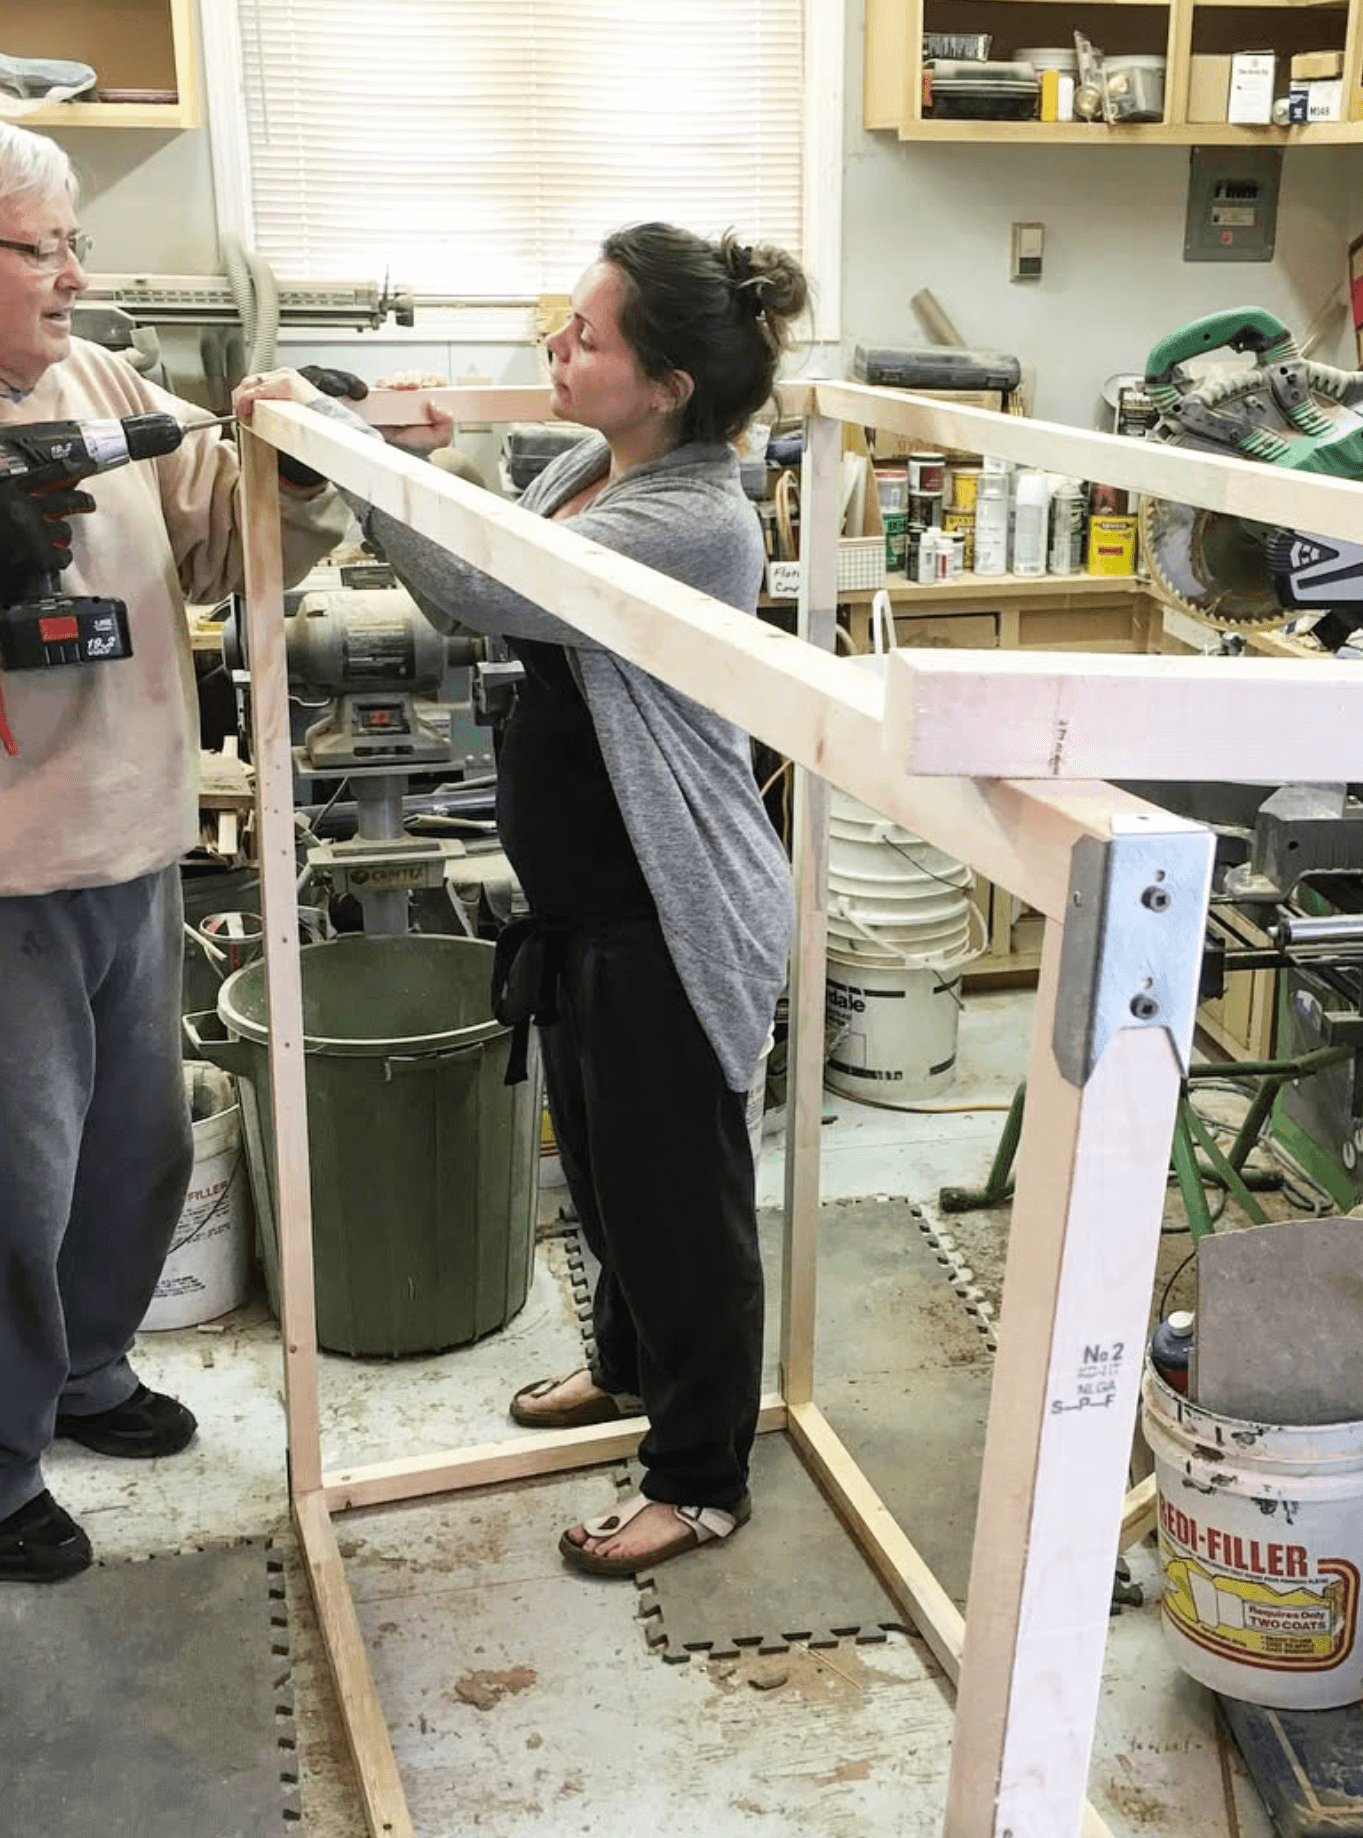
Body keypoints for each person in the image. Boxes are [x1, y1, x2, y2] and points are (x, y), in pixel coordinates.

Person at [238, 223, 808, 1575]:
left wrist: (365, 458)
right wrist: (413, 452)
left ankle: (699, 1472)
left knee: (680, 1206)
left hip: (672, 916)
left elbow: (480, 580)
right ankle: (624, 1369)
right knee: (607, 1183)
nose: (559, 345)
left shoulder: (694, 517)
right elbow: (496, 523)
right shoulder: (587, 465)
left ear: (666, 384)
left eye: (589, 336)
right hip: (586, 913)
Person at [0, 117, 348, 1581]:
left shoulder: (100, 382)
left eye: (74, 242)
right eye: (45, 246)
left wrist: (300, 464)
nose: (76, 273)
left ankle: (82, 1378)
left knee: (130, 1159)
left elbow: (212, 541)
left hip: (134, 855)